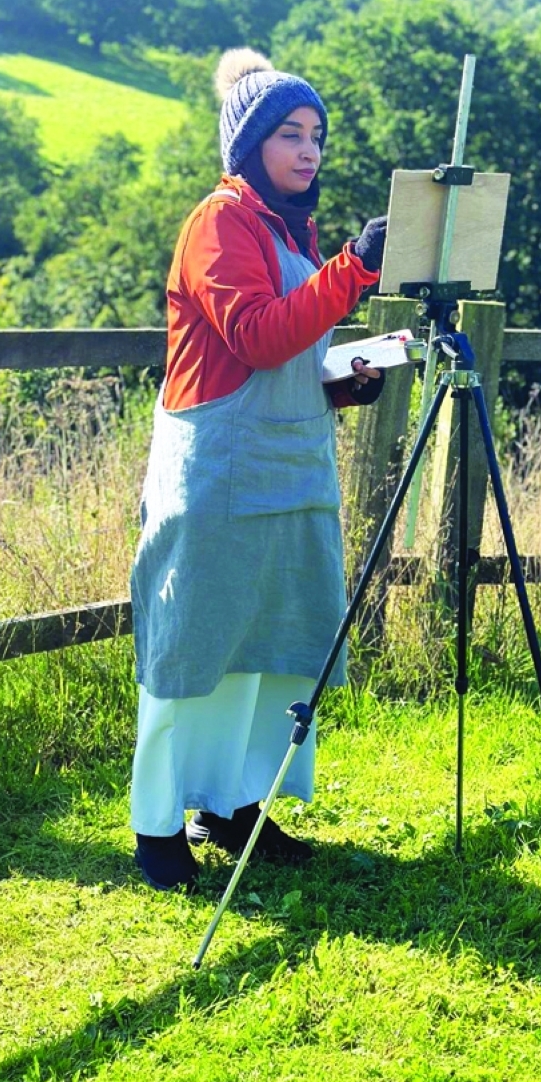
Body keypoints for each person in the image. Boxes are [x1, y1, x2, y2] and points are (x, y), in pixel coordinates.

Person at [130, 48, 389, 891]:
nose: (309, 151)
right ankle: (156, 822)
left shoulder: (287, 229)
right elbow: (255, 336)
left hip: (287, 462)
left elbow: (291, 352)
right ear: (249, 144)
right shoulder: (219, 221)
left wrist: (344, 379)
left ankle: (236, 804)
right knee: (193, 648)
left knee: (270, 647)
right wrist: (354, 269)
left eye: (317, 135)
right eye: (290, 134)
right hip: (219, 470)